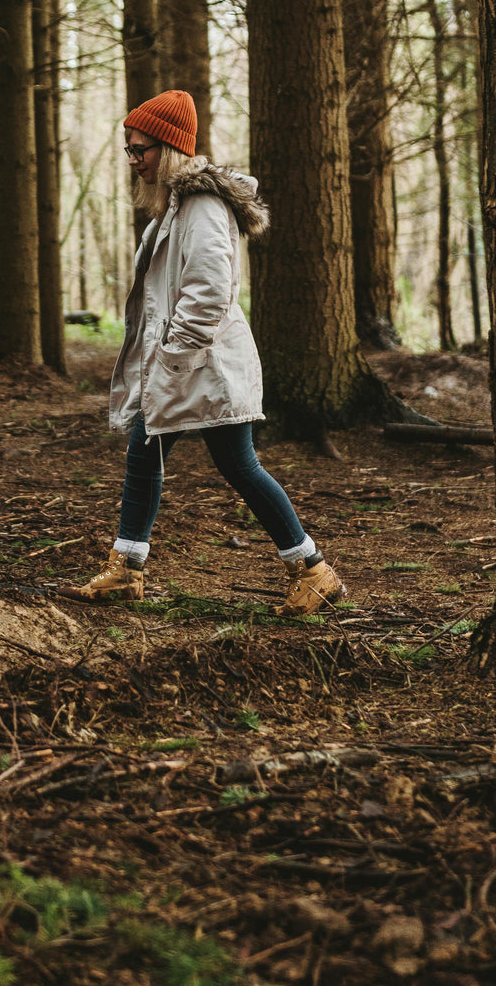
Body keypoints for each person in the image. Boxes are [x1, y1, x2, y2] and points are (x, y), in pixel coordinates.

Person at [58, 89, 347, 617]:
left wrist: (173, 355)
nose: (132, 160)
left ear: (167, 147)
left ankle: (312, 569)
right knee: (147, 454)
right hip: (183, 366)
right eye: (128, 149)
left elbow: (211, 289)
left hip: (203, 367)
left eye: (139, 148)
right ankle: (127, 569)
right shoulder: (177, 207)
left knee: (239, 466)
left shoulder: (203, 207)